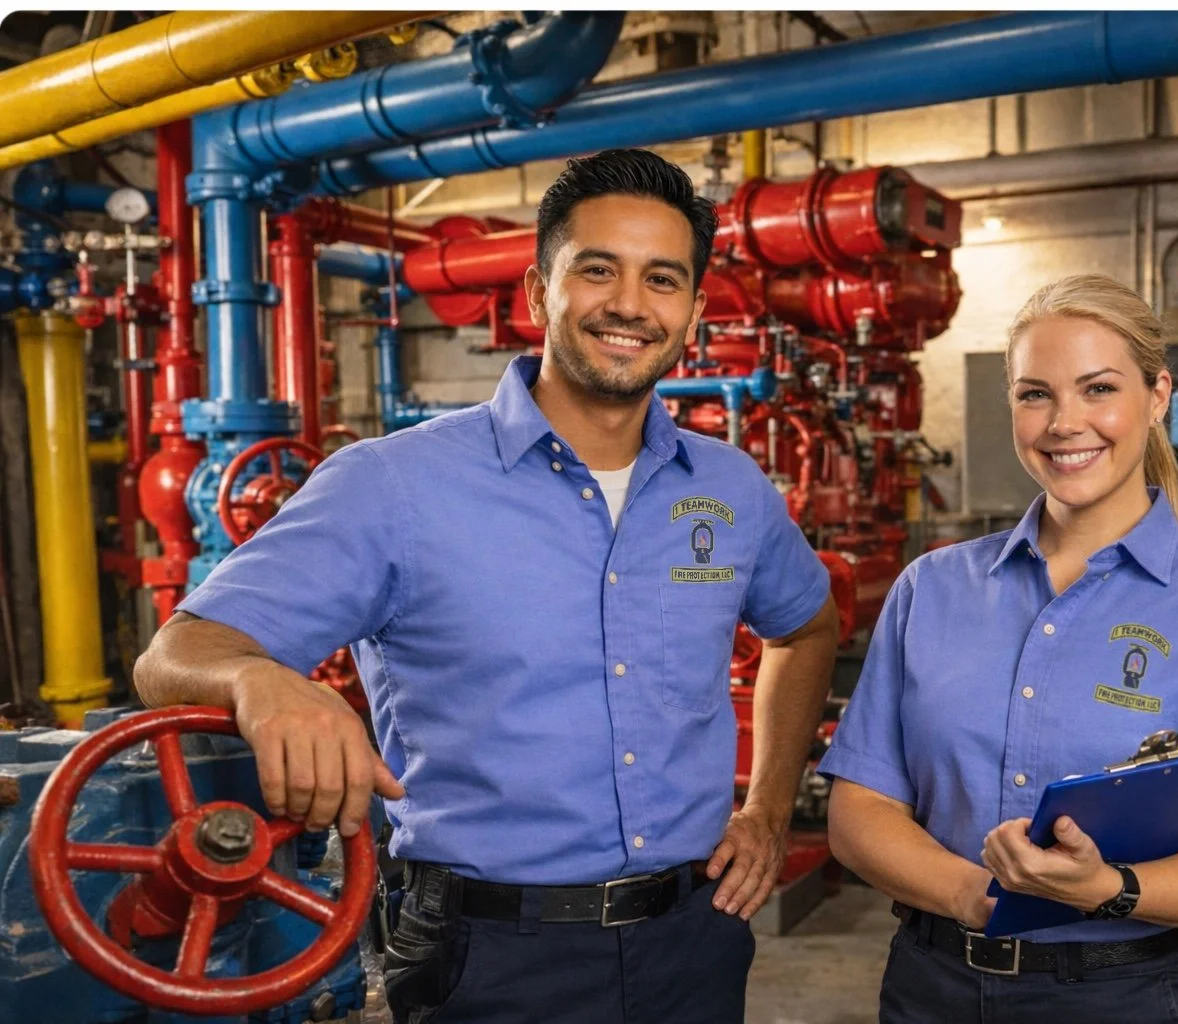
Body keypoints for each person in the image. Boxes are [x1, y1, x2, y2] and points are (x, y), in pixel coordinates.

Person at [135, 149, 840, 1024]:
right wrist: (257, 679)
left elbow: (806, 629)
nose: (628, 304)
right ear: (540, 294)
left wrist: (769, 808)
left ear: (694, 311)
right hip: (489, 956)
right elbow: (175, 655)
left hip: (693, 938)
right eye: (597, 270)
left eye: (662, 279)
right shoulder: (392, 484)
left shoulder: (729, 488)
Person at [820, 274, 1178, 1023]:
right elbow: (859, 811)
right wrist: (975, 896)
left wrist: (1107, 889)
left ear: (1157, 397)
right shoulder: (932, 588)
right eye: (1035, 394)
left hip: (1134, 996)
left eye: (1098, 389)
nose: (1064, 422)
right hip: (935, 988)